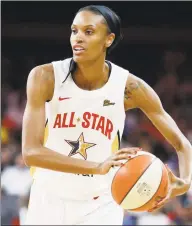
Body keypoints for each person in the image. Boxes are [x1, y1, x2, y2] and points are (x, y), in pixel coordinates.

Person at [22, 5, 192, 225]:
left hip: (100, 205)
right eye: (74, 31)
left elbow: (182, 144)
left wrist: (185, 183)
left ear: (108, 39)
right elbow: (30, 153)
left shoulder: (130, 88)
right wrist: (97, 166)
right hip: (47, 199)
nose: (78, 38)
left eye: (88, 31)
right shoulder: (45, 77)